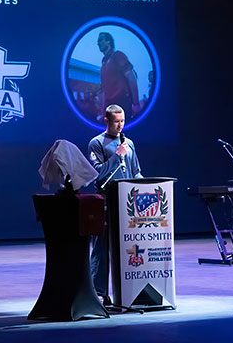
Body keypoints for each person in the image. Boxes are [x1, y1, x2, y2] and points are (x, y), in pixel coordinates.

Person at [88, 104, 142, 300]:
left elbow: (136, 172)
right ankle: (98, 293)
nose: (120, 126)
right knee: (102, 248)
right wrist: (117, 156)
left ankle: (130, 291)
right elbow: (97, 174)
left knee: (130, 248)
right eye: (116, 122)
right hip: (106, 200)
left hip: (127, 202)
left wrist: (146, 187)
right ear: (107, 121)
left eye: (122, 121)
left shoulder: (129, 143)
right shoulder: (96, 143)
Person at [97, 32, 141, 123]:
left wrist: (136, 103)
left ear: (108, 41)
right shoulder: (103, 64)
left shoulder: (117, 55)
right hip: (110, 108)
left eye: (100, 40)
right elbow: (104, 90)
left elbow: (131, 78)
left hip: (123, 105)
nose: (98, 43)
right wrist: (103, 111)